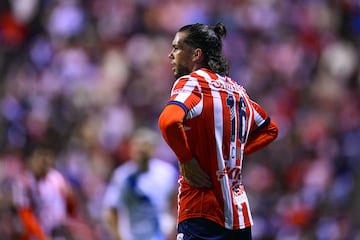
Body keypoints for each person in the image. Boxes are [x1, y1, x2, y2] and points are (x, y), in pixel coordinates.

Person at [158, 22, 279, 240]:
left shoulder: (192, 83)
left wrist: (186, 159)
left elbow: (168, 121)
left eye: (176, 48)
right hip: (240, 217)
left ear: (196, 54)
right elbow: (269, 129)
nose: (170, 54)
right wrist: (232, 154)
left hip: (201, 211)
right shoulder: (238, 91)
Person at [102, 127, 178, 240]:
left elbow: (176, 201)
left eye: (145, 145)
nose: (141, 149)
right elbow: (111, 210)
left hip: (159, 235)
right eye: (138, 145)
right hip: (132, 236)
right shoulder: (123, 176)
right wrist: (118, 236)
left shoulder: (166, 173)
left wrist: (173, 227)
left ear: (153, 148)